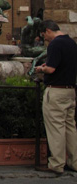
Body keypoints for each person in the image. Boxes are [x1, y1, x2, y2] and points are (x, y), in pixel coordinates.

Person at [34, 20, 77, 175]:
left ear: (48, 30)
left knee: (56, 128)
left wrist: (40, 68)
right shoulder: (72, 43)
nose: (45, 38)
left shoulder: (55, 44)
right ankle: (74, 162)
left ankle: (57, 164)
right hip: (70, 90)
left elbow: (51, 69)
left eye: (44, 35)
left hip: (56, 91)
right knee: (70, 127)